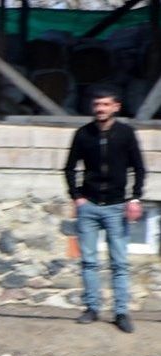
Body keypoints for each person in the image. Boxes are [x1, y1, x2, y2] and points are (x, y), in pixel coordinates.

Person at [64, 85, 146, 334]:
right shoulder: (83, 134)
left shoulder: (126, 134)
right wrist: (76, 196)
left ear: (116, 107)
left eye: (105, 104)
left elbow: (139, 168)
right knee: (89, 261)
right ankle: (92, 308)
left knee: (119, 262)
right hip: (88, 206)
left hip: (116, 206)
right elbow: (69, 168)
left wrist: (135, 198)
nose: (100, 108)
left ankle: (121, 312)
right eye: (97, 104)